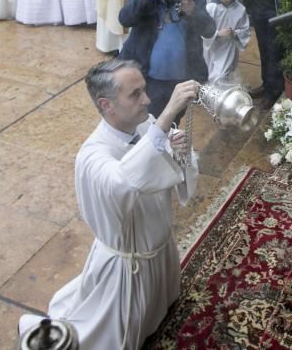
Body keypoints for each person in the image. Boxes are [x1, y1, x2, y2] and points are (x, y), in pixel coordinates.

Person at [17, 60, 199, 350]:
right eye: (135, 94)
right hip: (128, 266)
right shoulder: (92, 155)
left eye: (144, 90)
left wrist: (176, 150)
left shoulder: (146, 125)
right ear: (107, 105)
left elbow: (158, 166)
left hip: (158, 248)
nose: (147, 100)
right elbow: (123, 184)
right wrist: (167, 118)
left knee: (157, 311)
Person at [118, 0, 215, 117]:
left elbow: (209, 30)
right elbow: (125, 19)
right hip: (147, 80)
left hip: (180, 82)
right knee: (146, 123)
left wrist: (193, 13)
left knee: (173, 124)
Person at [202, 0, 251, 85]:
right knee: (211, 78)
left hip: (229, 49)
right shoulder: (211, 8)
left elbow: (246, 30)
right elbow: (203, 30)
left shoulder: (240, 9)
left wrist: (235, 33)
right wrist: (218, 34)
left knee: (222, 77)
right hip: (212, 49)